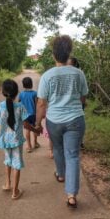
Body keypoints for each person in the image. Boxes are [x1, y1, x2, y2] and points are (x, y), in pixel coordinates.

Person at [36, 35, 88, 208]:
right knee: (72, 155)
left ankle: (60, 174)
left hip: (54, 120)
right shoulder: (79, 73)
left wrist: (37, 123)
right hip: (75, 119)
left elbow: (42, 103)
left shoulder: (47, 76)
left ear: (53, 55)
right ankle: (71, 195)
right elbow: (82, 98)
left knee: (58, 148)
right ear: (69, 53)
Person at [0, 79, 39, 200]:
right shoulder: (20, 107)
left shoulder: (0, 107)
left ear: (3, 92)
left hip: (5, 141)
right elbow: (26, 125)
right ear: (17, 93)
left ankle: (8, 184)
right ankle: (15, 191)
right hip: (16, 140)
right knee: (16, 164)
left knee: (8, 161)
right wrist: (35, 130)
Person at [67, 57, 86, 148]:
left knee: (78, 124)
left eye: (69, 64)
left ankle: (80, 141)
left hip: (77, 103)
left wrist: (82, 104)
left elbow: (83, 92)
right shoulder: (66, 73)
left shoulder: (80, 74)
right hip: (68, 103)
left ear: (74, 65)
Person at [18, 77, 39, 153]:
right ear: (32, 84)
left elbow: (18, 104)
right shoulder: (35, 93)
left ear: (23, 85)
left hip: (25, 115)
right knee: (34, 128)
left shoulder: (21, 94)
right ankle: (35, 143)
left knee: (27, 130)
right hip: (33, 114)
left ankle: (29, 146)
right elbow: (37, 104)